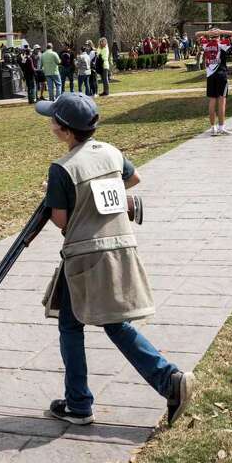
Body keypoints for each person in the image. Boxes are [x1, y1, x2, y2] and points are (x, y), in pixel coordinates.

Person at [34, 92, 195, 427]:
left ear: (65, 130)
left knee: (108, 324)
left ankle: (167, 380)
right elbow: (133, 179)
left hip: (84, 257)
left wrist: (54, 197)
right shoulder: (110, 152)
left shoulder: (62, 169)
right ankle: (79, 401)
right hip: (118, 249)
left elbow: (61, 221)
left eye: (53, 120)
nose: (50, 123)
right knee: (74, 320)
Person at [196, 27, 232, 136]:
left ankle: (213, 128)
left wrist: (207, 33)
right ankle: (221, 127)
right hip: (221, 75)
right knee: (222, 101)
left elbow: (197, 34)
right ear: (218, 35)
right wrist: (222, 31)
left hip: (210, 76)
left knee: (212, 101)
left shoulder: (206, 43)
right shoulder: (222, 44)